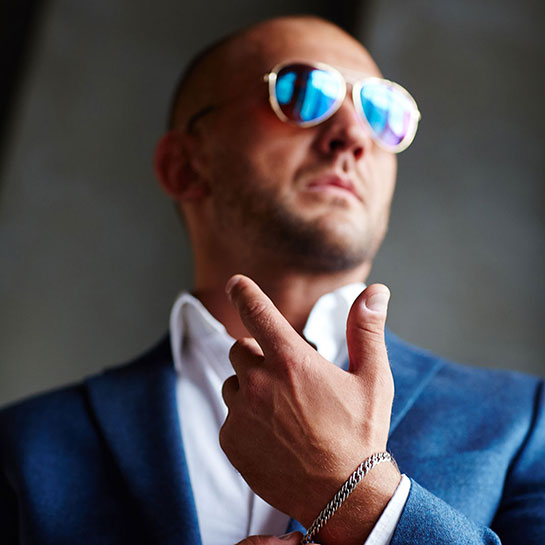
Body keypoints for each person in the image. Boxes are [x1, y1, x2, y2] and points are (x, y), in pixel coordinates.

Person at [1, 14, 543, 545]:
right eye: (304, 93)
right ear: (184, 166)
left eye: (383, 112)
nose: (353, 134)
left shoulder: (523, 423)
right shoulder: (25, 445)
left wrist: (358, 499)